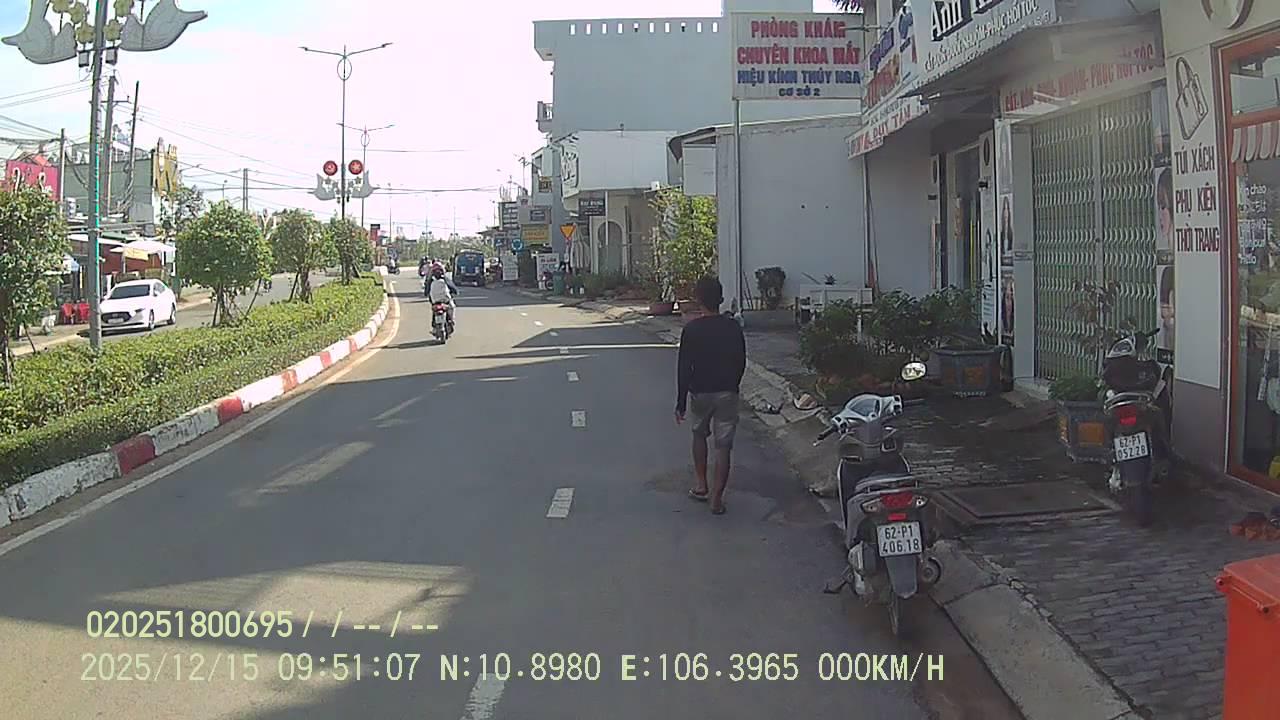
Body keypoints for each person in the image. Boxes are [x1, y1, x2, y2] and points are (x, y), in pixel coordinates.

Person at [675, 276, 746, 515]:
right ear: (721, 299)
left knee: (699, 434)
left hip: (700, 392)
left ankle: (701, 484)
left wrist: (680, 402)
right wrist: (733, 384)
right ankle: (717, 498)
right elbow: (741, 360)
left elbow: (684, 368)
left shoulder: (692, 330)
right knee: (723, 446)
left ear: (699, 300)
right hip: (727, 391)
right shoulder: (733, 327)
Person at [427, 263, 458, 331]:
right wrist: (455, 292)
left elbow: (426, 291)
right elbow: (453, 288)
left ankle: (436, 325)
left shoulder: (431, 280)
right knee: (452, 307)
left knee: (435, 310)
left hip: (435, 301)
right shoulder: (445, 279)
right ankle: (451, 321)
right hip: (444, 300)